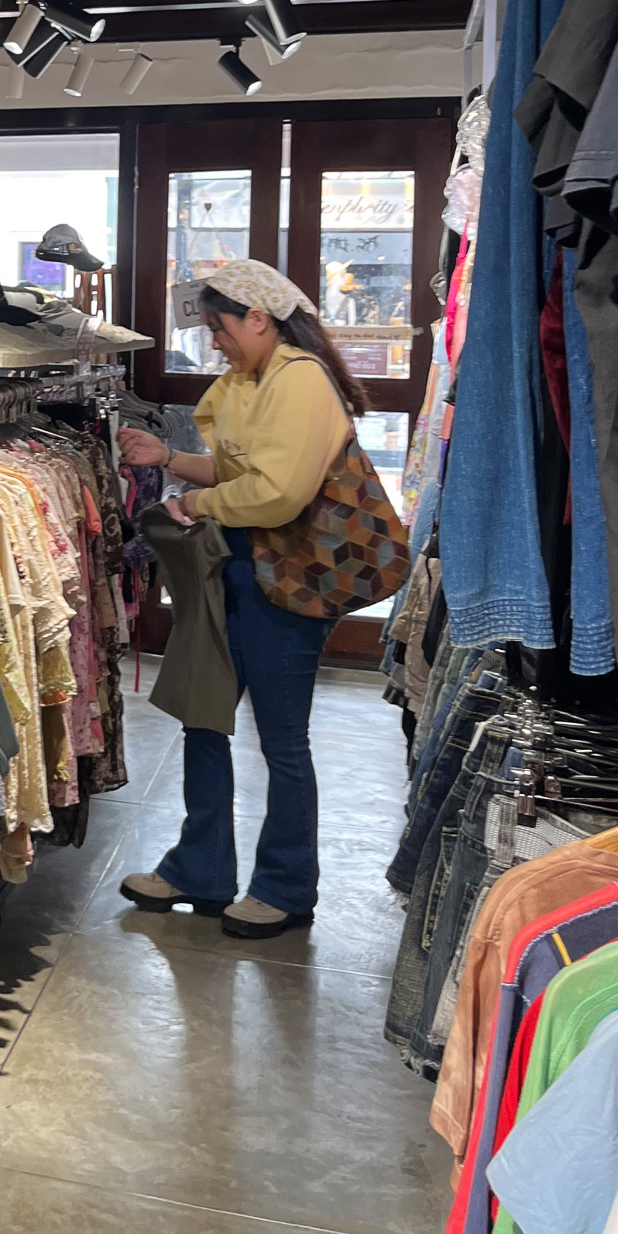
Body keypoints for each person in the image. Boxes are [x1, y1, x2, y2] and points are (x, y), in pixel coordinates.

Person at [116, 258, 368, 937]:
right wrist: (166, 461)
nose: (214, 342)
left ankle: (286, 888)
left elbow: (276, 491)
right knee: (204, 717)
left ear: (259, 318)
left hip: (284, 583)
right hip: (238, 570)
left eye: (221, 328)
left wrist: (196, 500)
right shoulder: (253, 380)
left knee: (282, 741)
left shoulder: (301, 380)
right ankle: (200, 868)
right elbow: (236, 469)